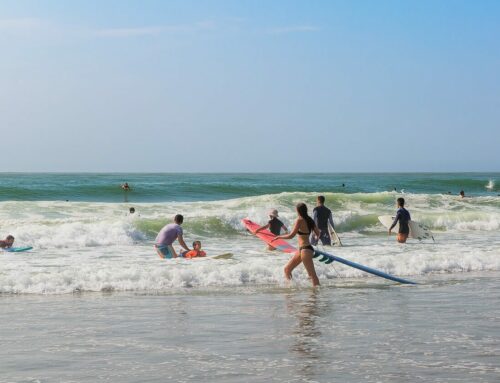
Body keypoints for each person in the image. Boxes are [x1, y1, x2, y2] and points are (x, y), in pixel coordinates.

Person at [274, 203, 321, 287]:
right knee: (287, 269)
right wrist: (315, 239)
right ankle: (291, 288)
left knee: (312, 275)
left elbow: (291, 235)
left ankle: (315, 296)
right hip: (303, 249)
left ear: (298, 210)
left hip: (305, 250)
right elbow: (318, 233)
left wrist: (279, 237)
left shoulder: (299, 220)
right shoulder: (309, 219)